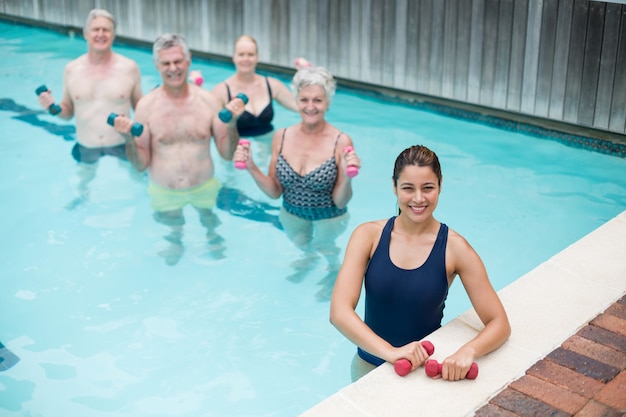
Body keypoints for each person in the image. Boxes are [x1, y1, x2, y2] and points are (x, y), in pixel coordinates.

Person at [329, 145, 511, 381]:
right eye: (407, 188)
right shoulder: (368, 236)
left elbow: (499, 323)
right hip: (367, 368)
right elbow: (339, 312)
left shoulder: (456, 249)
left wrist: (468, 351)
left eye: (428, 188)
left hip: (422, 375)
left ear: (440, 186)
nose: (418, 198)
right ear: (394, 187)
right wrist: (391, 353)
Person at [112, 33, 245, 266]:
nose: (173, 68)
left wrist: (232, 124)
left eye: (178, 61)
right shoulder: (146, 107)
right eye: (166, 63)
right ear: (156, 65)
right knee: (172, 240)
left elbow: (226, 153)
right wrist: (128, 140)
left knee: (212, 228)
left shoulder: (208, 101)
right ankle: (175, 240)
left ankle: (212, 236)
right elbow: (140, 164)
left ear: (189, 60)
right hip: (165, 191)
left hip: (205, 186)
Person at [234, 66, 361, 299]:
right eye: (304, 99)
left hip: (329, 218)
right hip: (291, 214)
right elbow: (274, 192)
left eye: (318, 100)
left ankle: (333, 269)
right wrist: (252, 166)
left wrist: (348, 177)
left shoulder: (340, 141)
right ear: (296, 100)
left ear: (328, 103)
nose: (310, 106)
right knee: (303, 244)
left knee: (326, 248)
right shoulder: (281, 136)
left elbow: (340, 200)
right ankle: (307, 259)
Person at [37, 9, 143, 209]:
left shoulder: (129, 68)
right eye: (95, 29)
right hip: (87, 146)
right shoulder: (72, 69)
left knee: (139, 186)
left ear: (113, 34)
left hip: (122, 145)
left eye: (106, 30)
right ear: (85, 34)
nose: (101, 34)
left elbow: (142, 108)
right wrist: (53, 108)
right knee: (80, 191)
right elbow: (67, 112)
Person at [212, 35, 299, 140]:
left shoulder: (272, 85)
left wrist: (304, 77)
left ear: (257, 57)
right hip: (238, 148)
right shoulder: (222, 90)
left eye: (250, 54)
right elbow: (210, 125)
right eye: (241, 54)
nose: (246, 59)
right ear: (234, 57)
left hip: (268, 144)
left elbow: (300, 107)